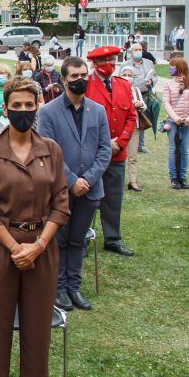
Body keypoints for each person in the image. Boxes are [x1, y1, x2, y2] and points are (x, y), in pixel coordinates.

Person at [0, 76, 70, 377]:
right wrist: (16, 248)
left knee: (37, 328)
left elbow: (61, 205)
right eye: (17, 105)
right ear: (6, 108)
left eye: (30, 105)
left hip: (41, 248)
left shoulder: (51, 150)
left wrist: (38, 246)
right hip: (1, 250)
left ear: (38, 106)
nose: (24, 111)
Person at [37, 57, 111, 313]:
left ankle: (74, 287)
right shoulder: (48, 112)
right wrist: (71, 181)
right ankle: (58, 288)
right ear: (64, 80)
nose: (80, 80)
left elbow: (104, 150)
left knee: (78, 240)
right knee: (60, 239)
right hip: (59, 190)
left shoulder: (98, 111)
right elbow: (47, 151)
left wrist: (87, 180)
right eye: (75, 76)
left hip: (90, 189)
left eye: (84, 75)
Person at [85, 46, 136, 256]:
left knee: (113, 198)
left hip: (117, 153)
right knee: (87, 199)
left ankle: (112, 239)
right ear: (95, 64)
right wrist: (106, 144)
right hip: (93, 154)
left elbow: (131, 116)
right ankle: (83, 239)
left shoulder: (123, 85)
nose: (110, 65)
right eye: (105, 61)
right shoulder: (87, 85)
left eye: (113, 60)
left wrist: (121, 142)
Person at [161, 56, 189, 190]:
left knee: (185, 150)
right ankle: (174, 177)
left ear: (179, 67)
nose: (170, 68)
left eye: (172, 65)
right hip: (173, 122)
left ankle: (182, 177)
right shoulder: (168, 84)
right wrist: (175, 118)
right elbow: (166, 102)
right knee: (173, 149)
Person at [118, 42, 156, 162]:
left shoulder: (148, 63)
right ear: (131, 52)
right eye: (136, 49)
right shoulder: (125, 64)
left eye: (140, 49)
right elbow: (119, 79)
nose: (139, 51)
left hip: (144, 94)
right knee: (129, 120)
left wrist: (152, 82)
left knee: (142, 120)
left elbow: (155, 76)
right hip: (128, 95)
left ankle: (140, 144)